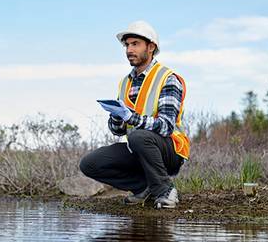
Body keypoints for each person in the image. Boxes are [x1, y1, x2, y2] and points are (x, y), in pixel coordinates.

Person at [79, 21, 190, 209]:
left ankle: (165, 190)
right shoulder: (125, 83)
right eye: (127, 45)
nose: (129, 49)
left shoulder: (168, 78)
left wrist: (130, 117)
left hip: (170, 151)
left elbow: (166, 126)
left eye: (135, 44)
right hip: (138, 148)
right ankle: (143, 187)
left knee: (139, 136)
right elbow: (117, 131)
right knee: (89, 163)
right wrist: (117, 116)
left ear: (151, 47)